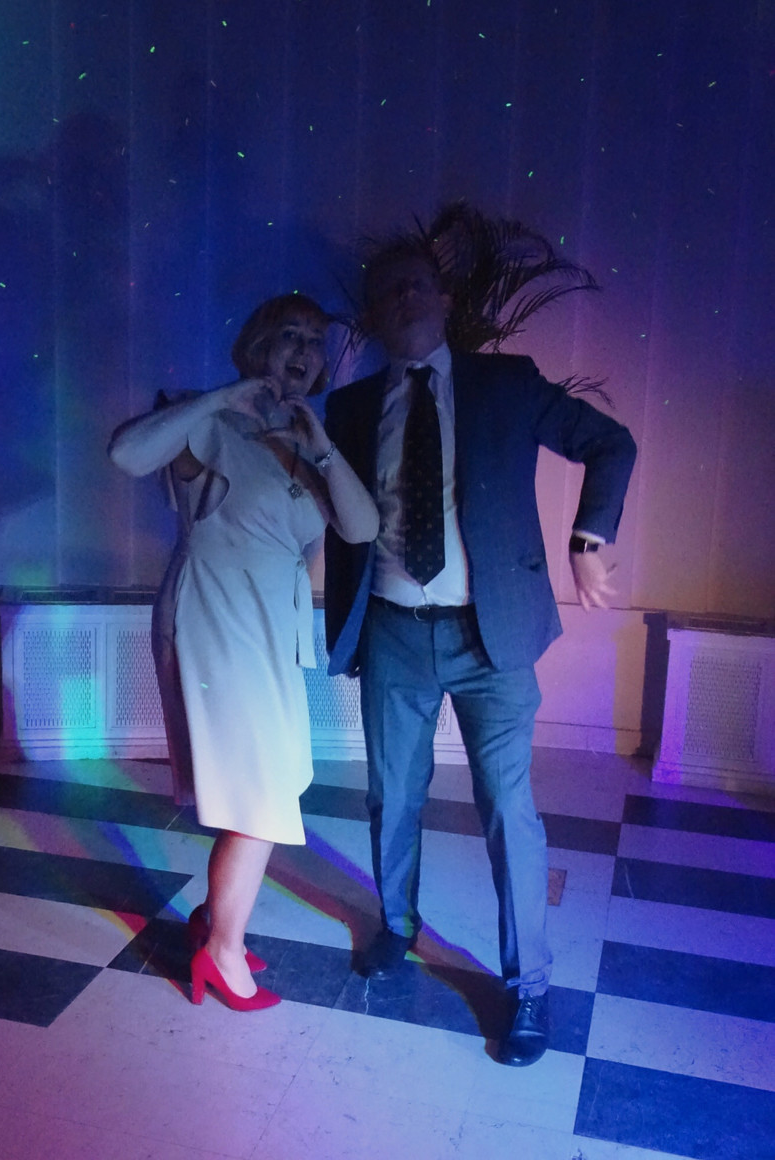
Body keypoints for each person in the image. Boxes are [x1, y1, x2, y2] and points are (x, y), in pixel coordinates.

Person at [323, 239, 636, 1064]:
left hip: (490, 637)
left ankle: (528, 984)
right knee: (392, 796)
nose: (403, 298)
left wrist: (588, 538)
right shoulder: (349, 409)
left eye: (416, 285)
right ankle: (397, 923)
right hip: (393, 631)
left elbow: (611, 443)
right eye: (387, 291)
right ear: (373, 313)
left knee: (508, 808)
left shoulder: (506, 383)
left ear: (445, 299)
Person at [109, 294, 378, 1012]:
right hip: (215, 620)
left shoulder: (305, 440)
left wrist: (320, 441)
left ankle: (214, 921)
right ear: (256, 345)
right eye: (289, 334)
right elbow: (126, 454)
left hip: (270, 629)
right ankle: (221, 954)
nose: (304, 350)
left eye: (315, 340)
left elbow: (360, 528)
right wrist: (221, 396)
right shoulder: (212, 423)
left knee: (274, 781)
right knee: (261, 799)